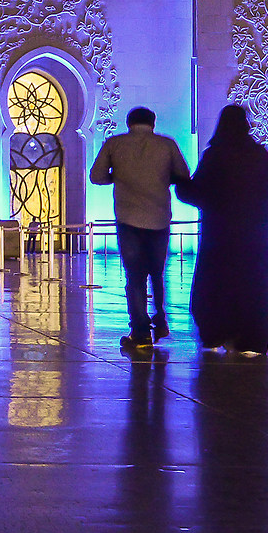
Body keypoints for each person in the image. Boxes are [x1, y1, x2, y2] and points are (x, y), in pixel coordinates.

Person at [89, 105, 193, 354]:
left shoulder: (115, 144)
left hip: (128, 218)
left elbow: (96, 176)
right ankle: (160, 320)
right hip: (159, 218)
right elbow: (183, 174)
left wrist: (120, 176)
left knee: (135, 276)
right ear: (153, 123)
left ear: (129, 122)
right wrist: (159, 178)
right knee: (157, 273)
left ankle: (140, 332)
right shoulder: (166, 145)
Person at [177, 104, 268, 355]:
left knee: (216, 286)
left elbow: (198, 193)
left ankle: (216, 334)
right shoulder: (260, 156)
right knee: (255, 286)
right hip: (257, 237)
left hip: (220, 238)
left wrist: (179, 182)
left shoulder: (216, 155)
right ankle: (252, 340)